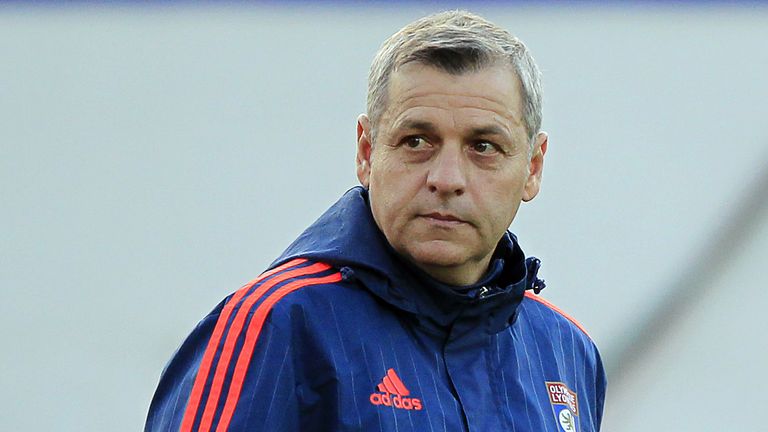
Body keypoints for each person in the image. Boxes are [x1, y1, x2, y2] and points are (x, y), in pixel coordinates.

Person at [145, 10, 606, 432]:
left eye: (483, 146)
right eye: (416, 141)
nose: (446, 179)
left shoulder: (566, 351)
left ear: (533, 166)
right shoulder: (276, 324)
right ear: (367, 152)